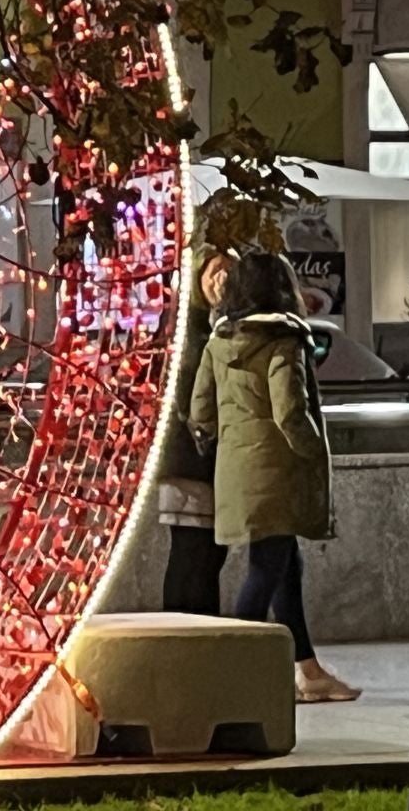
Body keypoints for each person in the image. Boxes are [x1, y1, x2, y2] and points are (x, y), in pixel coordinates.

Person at [190, 250, 360, 703]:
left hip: (240, 472)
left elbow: (200, 411)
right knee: (267, 571)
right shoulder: (284, 340)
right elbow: (290, 413)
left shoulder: (219, 339)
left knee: (285, 568)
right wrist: (313, 455)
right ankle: (234, 676)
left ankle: (309, 672)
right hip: (278, 473)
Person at [159, 247, 233, 615]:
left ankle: (196, 638)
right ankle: (188, 635)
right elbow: (199, 390)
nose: (223, 280)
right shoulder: (192, 329)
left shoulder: (219, 324)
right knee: (193, 554)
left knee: (207, 554)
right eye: (216, 270)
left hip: (206, 462)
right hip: (192, 459)